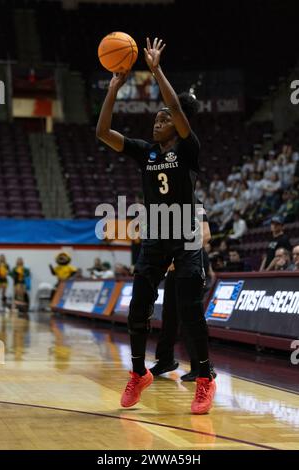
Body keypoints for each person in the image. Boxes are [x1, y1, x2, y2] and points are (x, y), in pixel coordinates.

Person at [96, 37, 216, 414]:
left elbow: (177, 107)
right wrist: (113, 90)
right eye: (157, 117)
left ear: (177, 126)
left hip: (185, 234)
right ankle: (138, 374)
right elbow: (102, 132)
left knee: (190, 307)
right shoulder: (144, 151)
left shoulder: (187, 148)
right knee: (137, 311)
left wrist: (156, 69)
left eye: (165, 118)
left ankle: (206, 377)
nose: (159, 120)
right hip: (155, 236)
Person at [150, 203, 217, 381]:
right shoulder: (170, 206)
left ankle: (201, 366)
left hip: (191, 261)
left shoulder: (196, 205)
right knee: (169, 314)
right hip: (175, 262)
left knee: (189, 315)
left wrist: (181, 254)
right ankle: (165, 360)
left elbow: (206, 235)